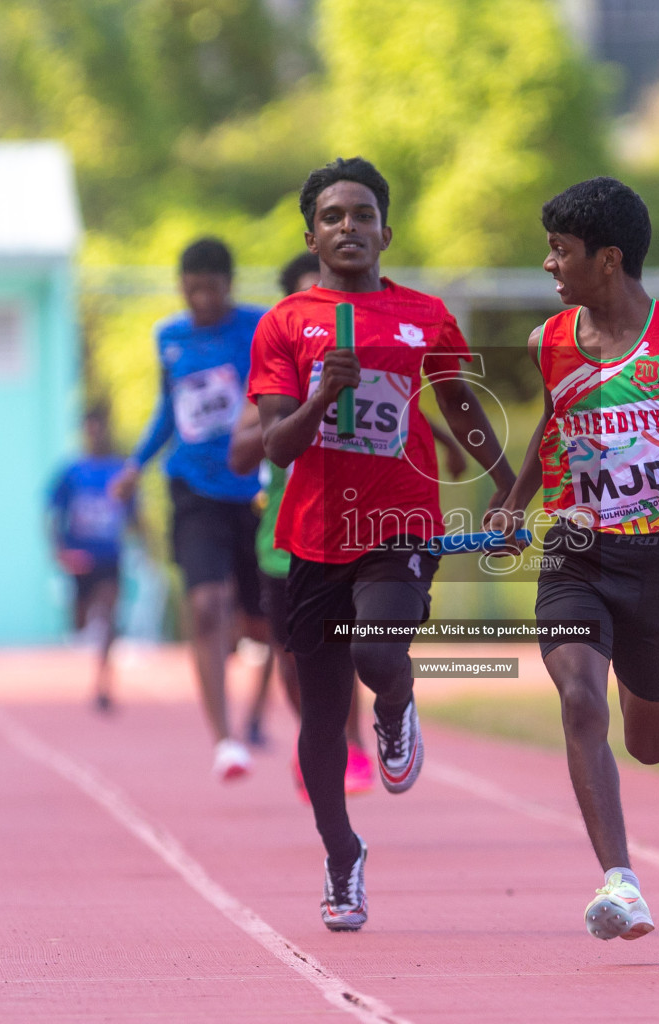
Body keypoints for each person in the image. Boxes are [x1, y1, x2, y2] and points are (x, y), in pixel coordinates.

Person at [248, 157, 515, 931]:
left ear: (384, 230)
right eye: (332, 217)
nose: (348, 228)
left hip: (396, 524)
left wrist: (503, 481)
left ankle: (395, 706)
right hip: (313, 536)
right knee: (322, 713)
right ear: (312, 234)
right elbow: (276, 445)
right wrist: (323, 394)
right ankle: (341, 856)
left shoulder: (424, 316)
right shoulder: (285, 325)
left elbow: (459, 403)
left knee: (377, 653)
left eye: (362, 215)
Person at [485, 177, 659, 941]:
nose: (546, 264)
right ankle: (620, 883)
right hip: (572, 549)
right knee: (577, 700)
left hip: (655, 559)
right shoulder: (549, 341)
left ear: (607, 259)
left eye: (558, 251)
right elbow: (552, 426)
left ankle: (640, 688)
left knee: (646, 742)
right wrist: (517, 501)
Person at [232, 252, 471, 797]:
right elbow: (248, 450)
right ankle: (315, 734)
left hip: (367, 524)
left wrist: (446, 442)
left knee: (364, 643)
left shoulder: (368, 345)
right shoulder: (278, 355)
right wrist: (309, 404)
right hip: (285, 535)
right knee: (295, 656)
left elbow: (399, 405)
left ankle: (357, 744)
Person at [111, 238, 267, 782]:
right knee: (205, 605)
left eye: (211, 288)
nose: (201, 298)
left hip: (255, 489)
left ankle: (263, 712)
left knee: (264, 625)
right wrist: (136, 463)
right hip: (193, 489)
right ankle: (225, 740)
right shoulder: (170, 337)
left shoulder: (261, 327)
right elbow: (168, 409)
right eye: (191, 288)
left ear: (230, 285)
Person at [48, 406, 137, 713]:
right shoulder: (72, 472)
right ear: (84, 432)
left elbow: (134, 515)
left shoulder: (120, 471)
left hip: (109, 556)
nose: (95, 434)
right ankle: (84, 658)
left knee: (108, 616)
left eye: (99, 428)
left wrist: (144, 544)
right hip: (80, 558)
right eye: (90, 429)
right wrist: (56, 549)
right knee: (81, 622)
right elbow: (51, 511)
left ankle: (103, 685)